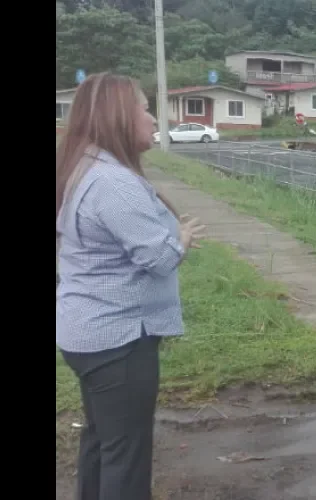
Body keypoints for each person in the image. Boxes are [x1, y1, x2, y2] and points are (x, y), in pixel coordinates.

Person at [56, 72, 206, 500]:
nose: (152, 116)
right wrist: (181, 238)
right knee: (126, 455)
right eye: (143, 107)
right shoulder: (114, 184)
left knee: (102, 441)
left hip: (88, 333)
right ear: (119, 116)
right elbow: (158, 259)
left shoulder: (85, 165)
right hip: (118, 340)